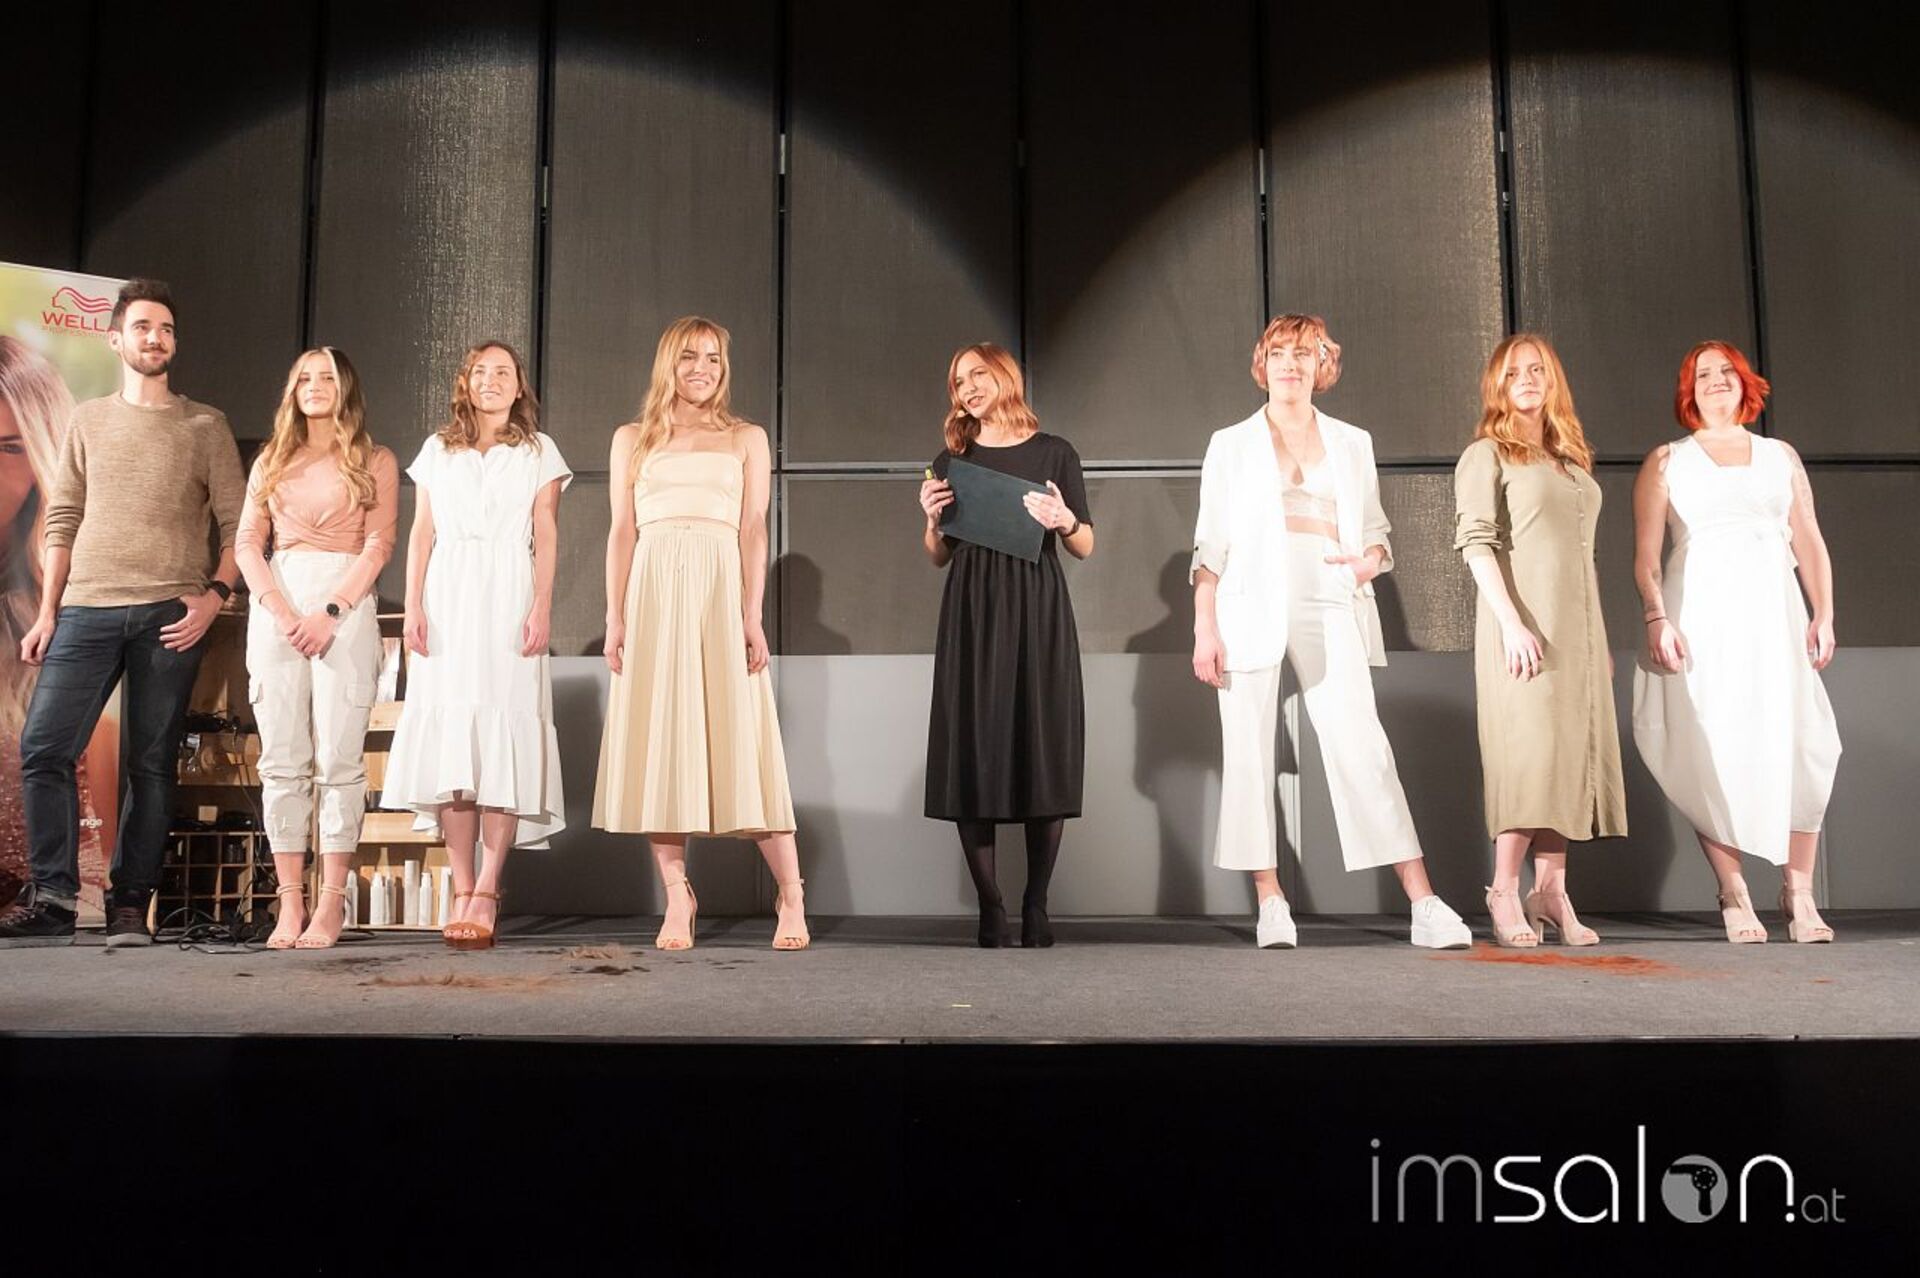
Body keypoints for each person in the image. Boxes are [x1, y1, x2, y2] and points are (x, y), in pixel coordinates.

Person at [1190, 314, 1472, 950]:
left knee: (1361, 743)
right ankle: (1270, 901)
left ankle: (1423, 902)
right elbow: (1210, 543)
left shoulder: (1351, 441)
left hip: (1329, 588)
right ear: (1263, 363)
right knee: (1248, 750)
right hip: (1248, 598)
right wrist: (1205, 625)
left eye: (1304, 352)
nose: (1291, 364)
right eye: (1279, 352)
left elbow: (1376, 534)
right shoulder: (1230, 443)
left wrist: (1365, 564)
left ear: (1323, 363)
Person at [0, 278, 245, 948]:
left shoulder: (205, 424)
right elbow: (62, 517)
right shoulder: (87, 420)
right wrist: (47, 612)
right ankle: (53, 897)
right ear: (116, 340)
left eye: (165, 329)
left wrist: (214, 596)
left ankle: (131, 903)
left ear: (174, 343)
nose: (155, 338)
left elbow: (238, 526)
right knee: (45, 747)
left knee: (151, 763)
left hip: (171, 612)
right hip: (86, 608)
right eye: (142, 327)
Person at [593, 317, 808, 951]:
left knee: (745, 739)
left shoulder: (746, 437)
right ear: (669, 363)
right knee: (661, 743)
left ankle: (791, 895)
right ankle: (677, 896)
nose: (702, 369)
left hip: (719, 591)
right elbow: (622, 531)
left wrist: (751, 613)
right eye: (690, 357)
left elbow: (754, 528)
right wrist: (614, 616)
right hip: (654, 592)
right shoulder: (632, 438)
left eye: (713, 358)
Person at [1631, 341, 1840, 943]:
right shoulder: (1667, 460)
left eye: (1727, 371)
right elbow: (1646, 555)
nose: (1716, 380)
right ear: (1688, 390)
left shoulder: (1780, 456)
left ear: (1746, 382)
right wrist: (1656, 618)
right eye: (1703, 374)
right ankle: (1734, 890)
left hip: (1775, 618)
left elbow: (1809, 539)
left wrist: (1824, 613)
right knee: (1712, 748)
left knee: (1804, 743)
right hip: (1702, 621)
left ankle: (1799, 893)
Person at [383, 341, 569, 951]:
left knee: (503, 738)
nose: (491, 380)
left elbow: (546, 532)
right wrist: (413, 605)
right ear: (465, 382)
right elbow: (421, 533)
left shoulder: (539, 451)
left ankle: (489, 887)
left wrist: (541, 605)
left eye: (503, 372)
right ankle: (461, 886)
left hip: (510, 596)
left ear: (519, 386)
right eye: (480, 372)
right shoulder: (438, 450)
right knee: (454, 748)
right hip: (448, 598)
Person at [1453, 334, 1626, 947]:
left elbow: (1585, 557)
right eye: (1513, 372)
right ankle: (1503, 890)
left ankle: (1551, 892)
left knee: (1569, 755)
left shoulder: (1570, 461)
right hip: (1523, 627)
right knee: (1529, 756)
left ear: (1553, 380)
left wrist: (1599, 640)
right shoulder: (1487, 455)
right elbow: (1476, 543)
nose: (1526, 379)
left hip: (1579, 634)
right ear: (1496, 386)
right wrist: (1511, 623)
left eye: (1536, 369)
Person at [918, 343, 1091, 948]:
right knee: (974, 746)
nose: (966, 387)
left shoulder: (1055, 452)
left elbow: (1085, 544)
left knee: (1042, 743)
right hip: (972, 608)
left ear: (1005, 376)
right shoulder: (952, 459)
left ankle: (1035, 903)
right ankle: (990, 906)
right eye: (958, 381)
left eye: (977, 375)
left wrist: (1065, 521)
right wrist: (931, 521)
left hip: (1037, 604)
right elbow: (938, 555)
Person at [235, 347, 398, 949]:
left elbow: (379, 546)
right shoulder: (272, 460)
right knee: (281, 759)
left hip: (343, 609)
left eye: (326, 376)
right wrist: (281, 611)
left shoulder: (374, 459)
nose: (314, 385)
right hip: (277, 604)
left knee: (339, 761)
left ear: (345, 387)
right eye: (304, 376)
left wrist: (330, 612)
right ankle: (288, 904)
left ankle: (331, 904)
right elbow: (247, 543)